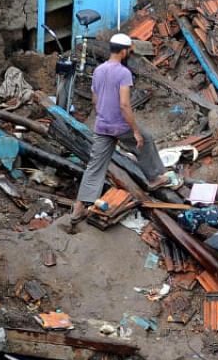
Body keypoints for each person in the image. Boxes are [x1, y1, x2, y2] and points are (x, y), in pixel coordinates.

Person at [65, 33, 169, 233]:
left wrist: (103, 115)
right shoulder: (123, 73)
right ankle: (154, 178)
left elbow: (95, 101)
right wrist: (135, 131)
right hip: (120, 125)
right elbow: (124, 104)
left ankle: (78, 209)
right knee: (145, 140)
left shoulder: (98, 70)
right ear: (123, 51)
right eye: (129, 51)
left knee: (95, 166)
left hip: (102, 125)